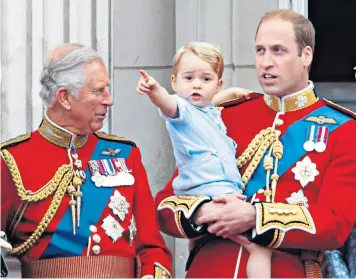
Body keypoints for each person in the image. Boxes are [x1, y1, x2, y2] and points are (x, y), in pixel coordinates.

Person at [155, 9, 356, 278]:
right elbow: (166, 205)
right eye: (260, 50)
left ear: (306, 55)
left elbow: (335, 224)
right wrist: (205, 211)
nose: (265, 62)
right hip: (210, 268)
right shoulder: (225, 116)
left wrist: (255, 217)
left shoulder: (343, 129)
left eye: (278, 51)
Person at [0, 43, 172, 278]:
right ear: (65, 97)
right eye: (99, 91)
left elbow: (152, 246)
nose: (109, 100)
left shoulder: (125, 154)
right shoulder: (13, 159)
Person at [136, 41, 271, 278]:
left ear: (217, 85)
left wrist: (233, 93)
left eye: (205, 79)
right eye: (189, 79)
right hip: (212, 192)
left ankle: (195, 249)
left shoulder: (206, 110)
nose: (197, 85)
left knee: (199, 245)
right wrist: (154, 90)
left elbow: (211, 103)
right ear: (174, 82)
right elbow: (169, 104)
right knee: (258, 248)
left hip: (210, 189)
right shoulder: (181, 110)